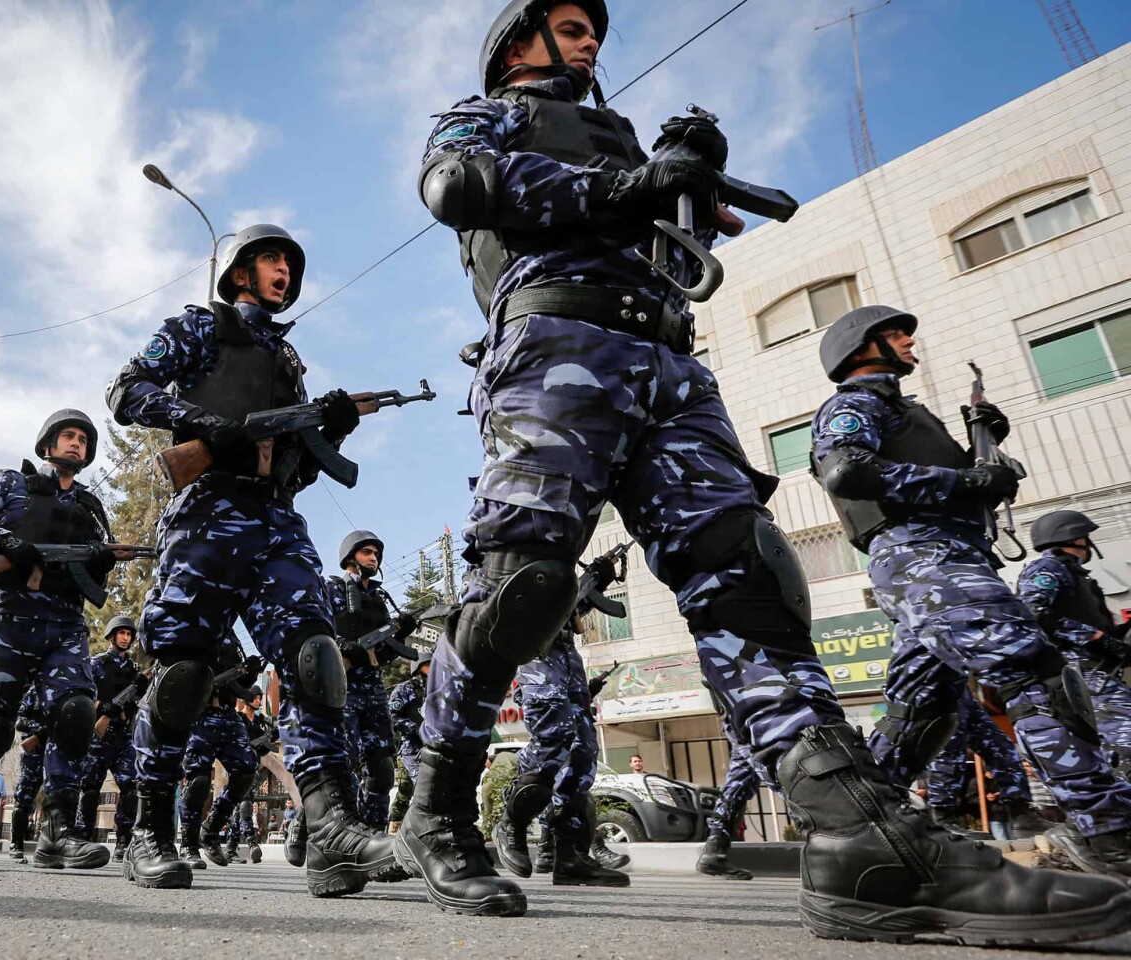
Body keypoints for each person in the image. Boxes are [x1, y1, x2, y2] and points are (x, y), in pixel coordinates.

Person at [409, 0, 1131, 940]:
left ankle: (859, 837)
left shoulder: (616, 134)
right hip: (554, 344)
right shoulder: (486, 113)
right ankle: (437, 808)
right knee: (526, 589)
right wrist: (632, 184)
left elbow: (684, 238)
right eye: (572, 27)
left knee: (750, 588)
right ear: (517, 45)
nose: (590, 43)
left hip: (670, 360)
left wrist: (688, 186)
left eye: (596, 31)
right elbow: (459, 187)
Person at [106, 223, 393, 896]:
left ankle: (328, 826)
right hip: (207, 515)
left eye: (290, 262)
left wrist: (326, 428)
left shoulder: (290, 365)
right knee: (182, 672)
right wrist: (202, 422)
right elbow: (127, 390)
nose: (283, 270)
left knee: (315, 657)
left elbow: (292, 473)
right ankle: (150, 830)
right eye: (271, 259)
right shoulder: (201, 328)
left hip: (275, 521)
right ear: (241, 273)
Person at [811, 303, 1131, 887]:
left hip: (943, 559)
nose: (910, 341)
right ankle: (1109, 831)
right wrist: (965, 480)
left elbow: (957, 484)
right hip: (923, 556)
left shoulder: (905, 411)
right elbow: (846, 471)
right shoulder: (857, 403)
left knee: (920, 713)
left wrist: (986, 451)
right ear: (862, 348)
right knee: (1032, 672)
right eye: (895, 334)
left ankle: (856, 836)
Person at [0, 409, 114, 872]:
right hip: (7, 617)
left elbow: (100, 570)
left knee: (77, 712)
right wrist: (3, 542)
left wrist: (98, 562)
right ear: (47, 444)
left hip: (64, 622)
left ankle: (59, 832)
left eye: (82, 439)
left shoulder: (91, 507)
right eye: (67, 436)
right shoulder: (7, 484)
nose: (75, 443)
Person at [493, 553, 628, 886]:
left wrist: (594, 583)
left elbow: (573, 613)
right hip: (538, 654)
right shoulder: (515, 547)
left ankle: (571, 856)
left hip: (568, 656)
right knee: (553, 738)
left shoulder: (564, 552)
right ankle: (512, 821)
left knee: (583, 753)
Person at [1018, 509, 1131, 870]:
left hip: (1098, 670)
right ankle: (1099, 833)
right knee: (1121, 747)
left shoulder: (1074, 575)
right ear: (1076, 538)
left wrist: (1113, 639)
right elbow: (1033, 610)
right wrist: (1094, 637)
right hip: (1082, 673)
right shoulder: (1047, 569)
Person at [328, 531, 421, 830]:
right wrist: (344, 646)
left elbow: (383, 655)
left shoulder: (378, 600)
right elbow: (314, 631)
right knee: (343, 762)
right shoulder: (331, 590)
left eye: (376, 554)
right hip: (342, 689)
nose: (374, 558)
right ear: (350, 557)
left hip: (373, 691)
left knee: (382, 769)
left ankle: (374, 835)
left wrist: (400, 633)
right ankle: (320, 825)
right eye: (367, 552)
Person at [922, 687, 1051, 838]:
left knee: (1000, 746)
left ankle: (1020, 813)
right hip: (934, 689)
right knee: (949, 747)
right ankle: (942, 818)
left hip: (961, 691)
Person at [178, 646, 262, 869]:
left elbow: (240, 686)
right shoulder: (197, 634)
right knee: (199, 780)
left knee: (246, 772)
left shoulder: (232, 642)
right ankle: (188, 845)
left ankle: (211, 829)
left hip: (228, 713)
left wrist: (250, 673)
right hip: (200, 713)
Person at [78, 616, 147, 862]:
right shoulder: (96, 663)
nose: (126, 638)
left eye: (129, 634)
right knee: (89, 787)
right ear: (111, 636)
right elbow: (82, 691)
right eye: (122, 633)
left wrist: (140, 688)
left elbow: (143, 703)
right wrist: (101, 706)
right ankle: (82, 838)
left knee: (130, 787)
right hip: (98, 735)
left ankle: (123, 841)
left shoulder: (135, 670)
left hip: (123, 736)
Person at [696, 722, 758, 880]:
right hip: (761, 716)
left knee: (740, 781)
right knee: (790, 770)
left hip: (744, 719)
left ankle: (714, 852)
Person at [228, 686, 278, 864]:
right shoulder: (238, 719)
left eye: (259, 698)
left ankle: (231, 847)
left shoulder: (259, 721)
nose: (258, 701)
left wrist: (269, 738)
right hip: (238, 767)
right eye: (255, 698)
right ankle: (251, 842)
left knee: (240, 807)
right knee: (245, 804)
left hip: (253, 767)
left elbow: (265, 749)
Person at [388, 651, 432, 830]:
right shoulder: (404, 689)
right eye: (426, 665)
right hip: (411, 748)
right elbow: (393, 716)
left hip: (434, 746)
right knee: (411, 787)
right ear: (418, 668)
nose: (431, 668)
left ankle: (423, 828)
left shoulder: (439, 689)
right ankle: (395, 824)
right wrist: (414, 728)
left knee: (427, 787)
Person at [8, 687, 47, 864]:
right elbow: (20, 721)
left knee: (62, 797)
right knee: (24, 797)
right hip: (36, 750)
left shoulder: (71, 691)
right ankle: (16, 844)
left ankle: (53, 845)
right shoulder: (35, 691)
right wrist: (39, 730)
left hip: (60, 751)